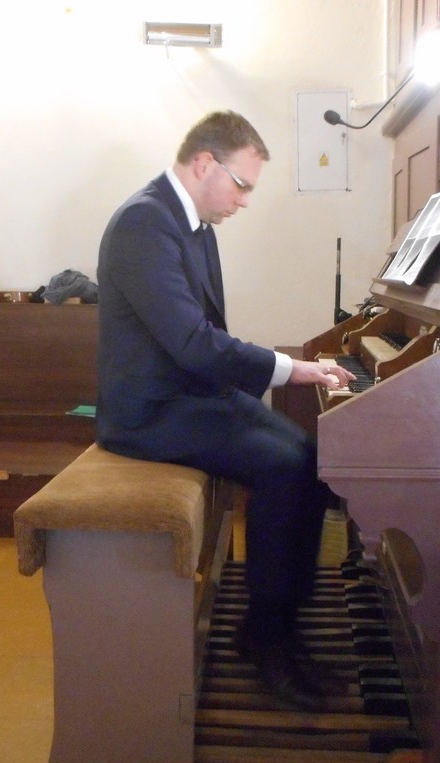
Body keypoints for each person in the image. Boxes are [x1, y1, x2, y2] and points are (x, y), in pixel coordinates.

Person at [95, 110, 355, 710]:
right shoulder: (144, 223)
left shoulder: (195, 225)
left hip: (192, 393)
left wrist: (276, 372)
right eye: (242, 185)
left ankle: (284, 621)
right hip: (148, 412)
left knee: (309, 454)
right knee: (282, 468)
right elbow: (193, 343)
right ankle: (264, 638)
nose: (244, 201)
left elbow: (207, 338)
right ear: (204, 163)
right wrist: (290, 368)